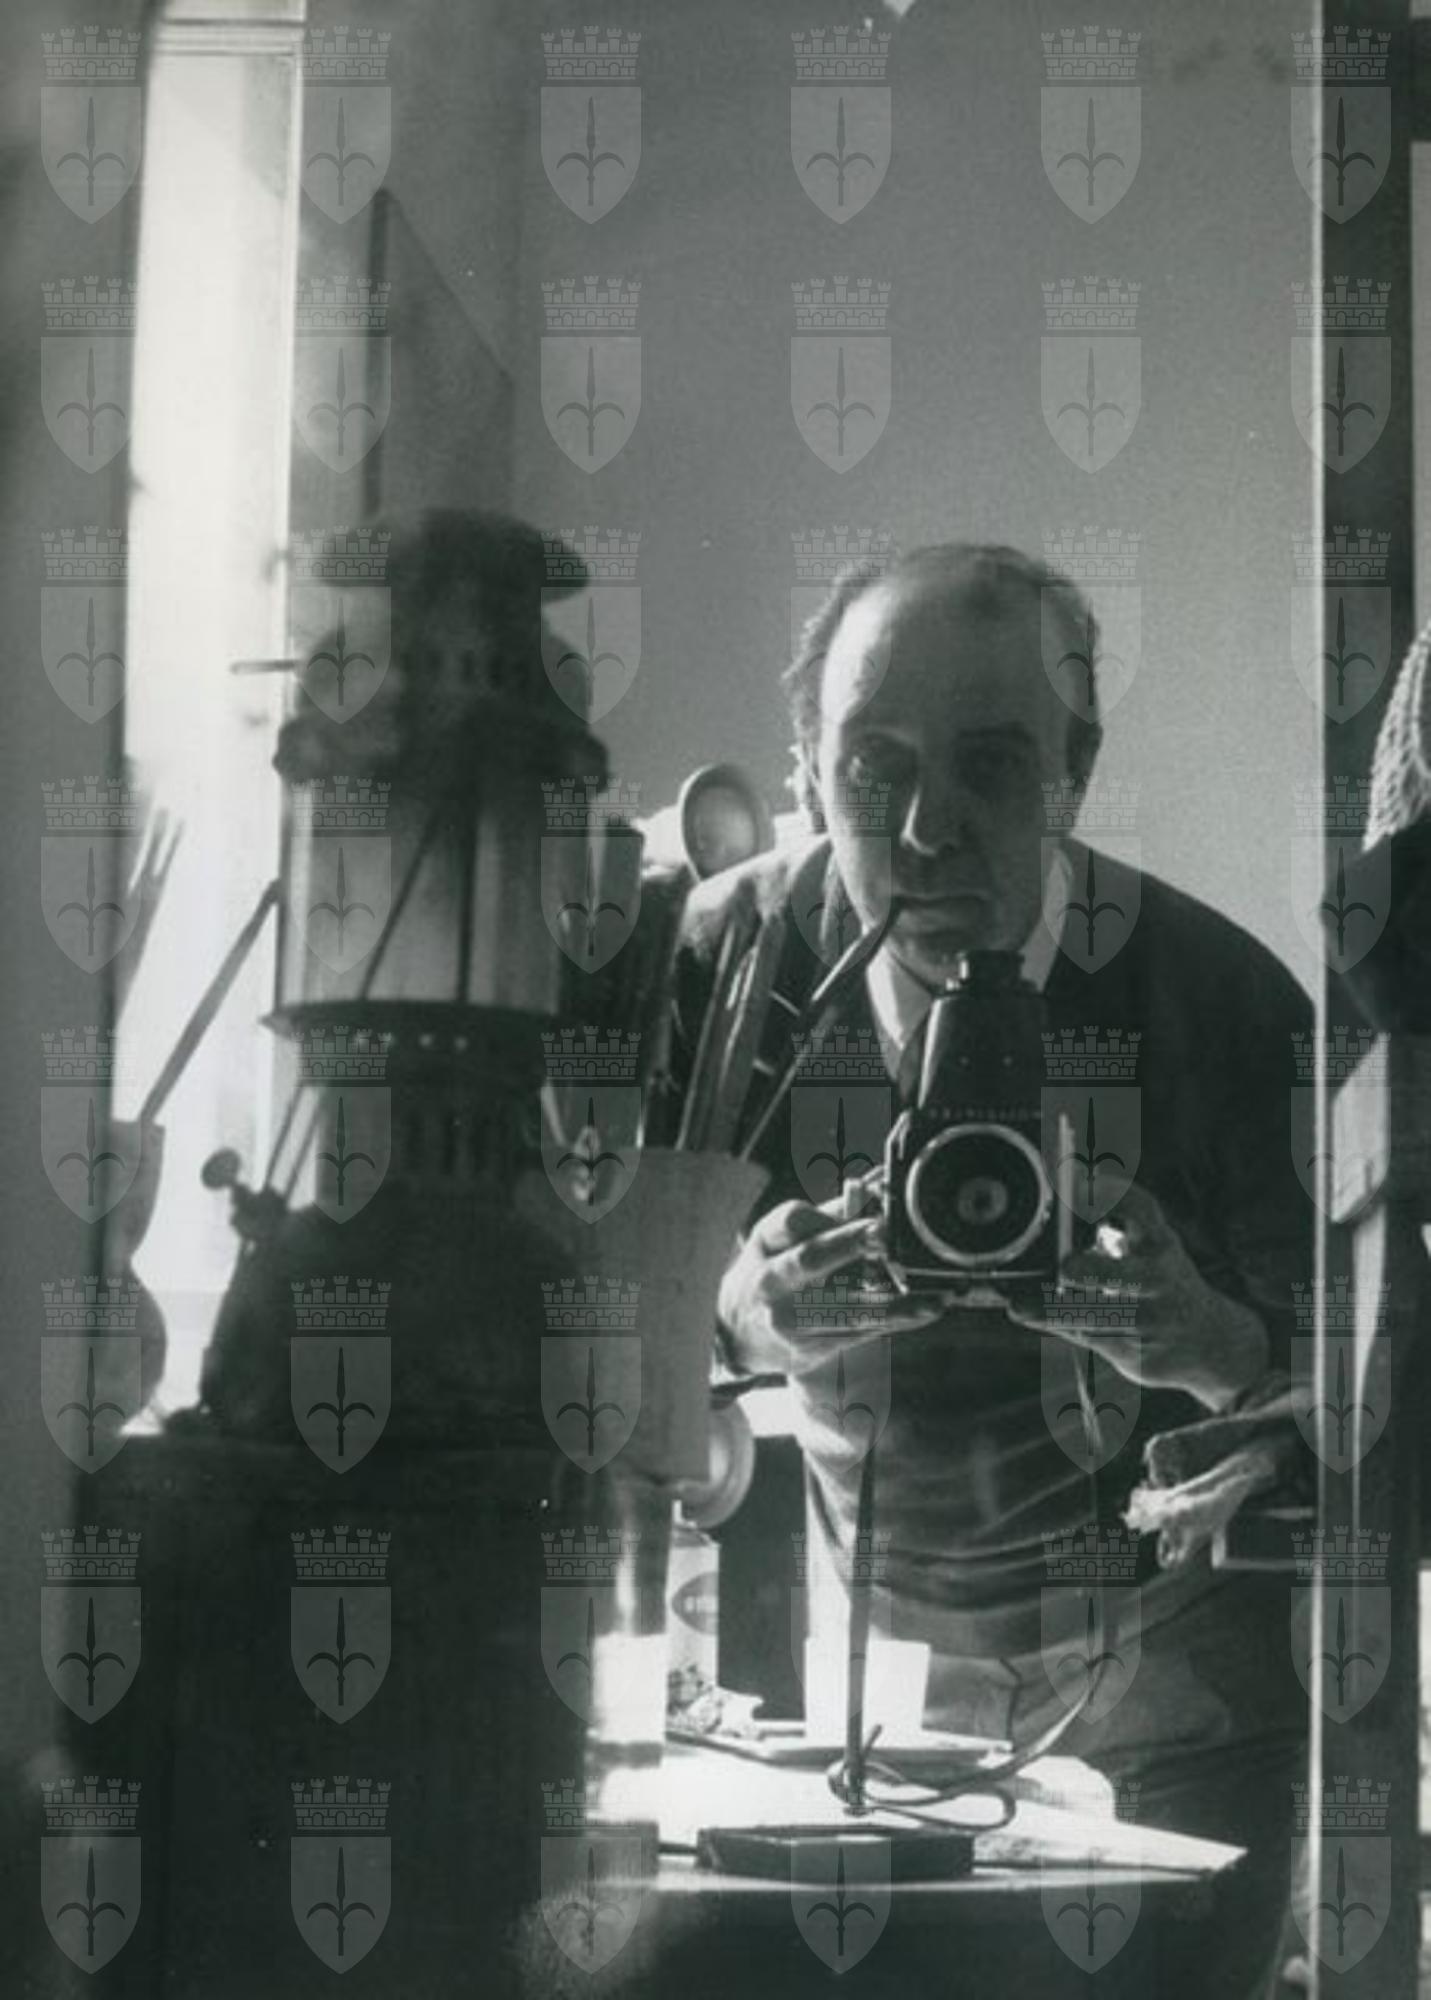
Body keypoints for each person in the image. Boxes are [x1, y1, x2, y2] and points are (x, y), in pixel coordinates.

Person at [667, 544, 1310, 1998]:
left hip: (1182, 1688)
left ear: (1077, 773)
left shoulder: (1225, 1005)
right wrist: (738, 1320)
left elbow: (1376, 1408)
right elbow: (595, 1344)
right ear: (804, 769)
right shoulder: (725, 969)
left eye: (994, 767)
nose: (925, 830)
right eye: (872, 768)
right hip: (876, 1682)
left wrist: (1212, 1345)